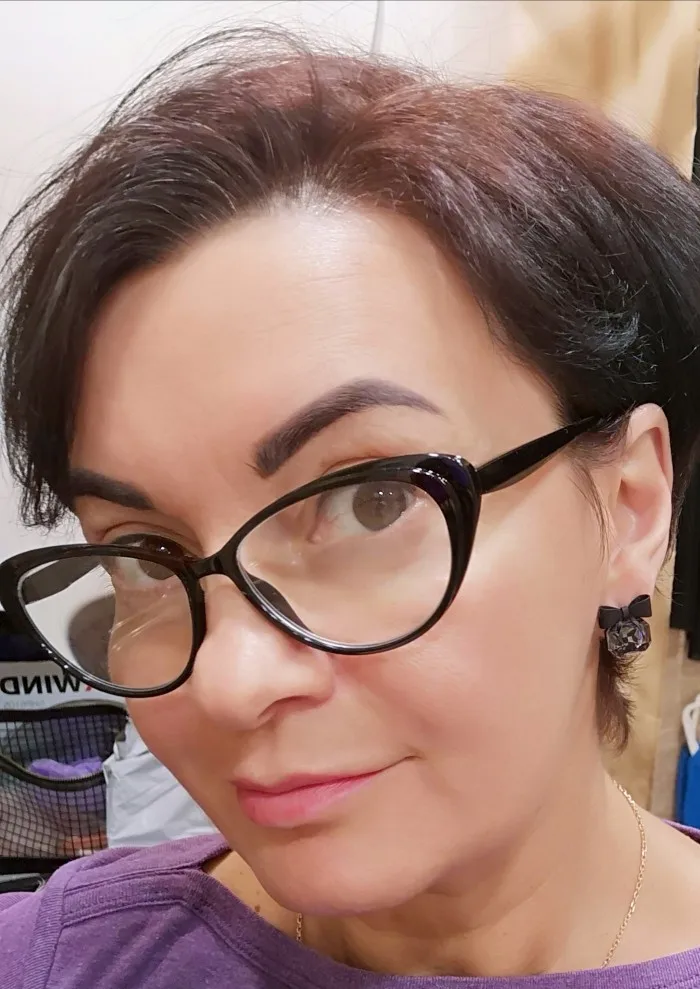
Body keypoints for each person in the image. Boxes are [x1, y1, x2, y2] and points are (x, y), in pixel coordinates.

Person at [1, 26, 700, 989]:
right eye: (143, 553)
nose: (229, 683)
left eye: (370, 503)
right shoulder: (60, 959)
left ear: (629, 507)